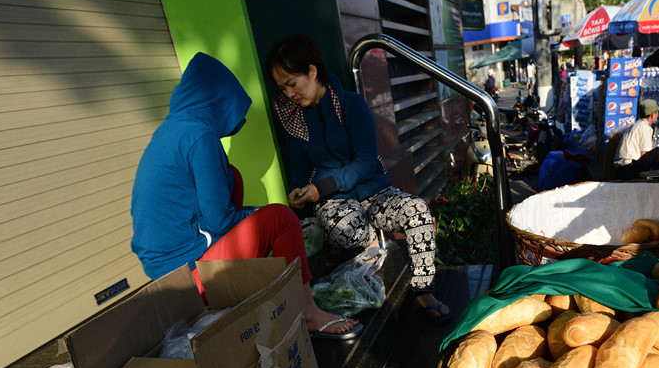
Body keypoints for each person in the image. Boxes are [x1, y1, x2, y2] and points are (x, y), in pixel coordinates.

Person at [130, 52, 361, 340]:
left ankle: (259, 283)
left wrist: (250, 216)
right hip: (189, 279)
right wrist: (259, 216)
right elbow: (219, 220)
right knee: (281, 217)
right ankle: (308, 313)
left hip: (163, 279)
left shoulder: (172, 130)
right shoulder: (199, 136)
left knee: (232, 174)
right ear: (218, 99)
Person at [264, 34, 451, 322]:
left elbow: (366, 161)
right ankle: (372, 239)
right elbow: (298, 164)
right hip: (335, 202)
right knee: (342, 231)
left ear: (312, 71)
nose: (289, 94)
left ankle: (423, 290)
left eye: (292, 84)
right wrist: (297, 189)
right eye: (282, 88)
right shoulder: (295, 118)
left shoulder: (352, 105)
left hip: (374, 191)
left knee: (417, 211)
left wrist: (322, 185)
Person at [613, 99, 659, 180]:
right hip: (627, 169)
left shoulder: (638, 124)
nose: (658, 115)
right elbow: (644, 155)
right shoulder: (644, 127)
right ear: (652, 115)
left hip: (624, 167)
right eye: (657, 112)